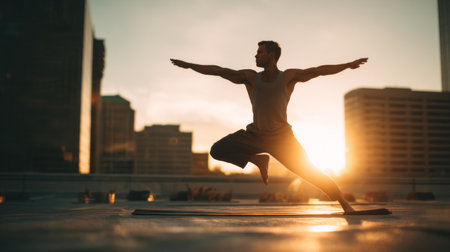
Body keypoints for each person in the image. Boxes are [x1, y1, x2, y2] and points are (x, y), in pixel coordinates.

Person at [171, 41, 367, 213]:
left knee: (311, 172)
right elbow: (220, 71)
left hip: (282, 139)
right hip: (254, 135)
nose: (255, 56)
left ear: (272, 55)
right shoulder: (250, 77)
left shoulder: (288, 76)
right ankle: (258, 159)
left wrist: (347, 65)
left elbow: (318, 70)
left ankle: (346, 206)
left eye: (260, 52)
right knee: (216, 150)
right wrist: (190, 66)